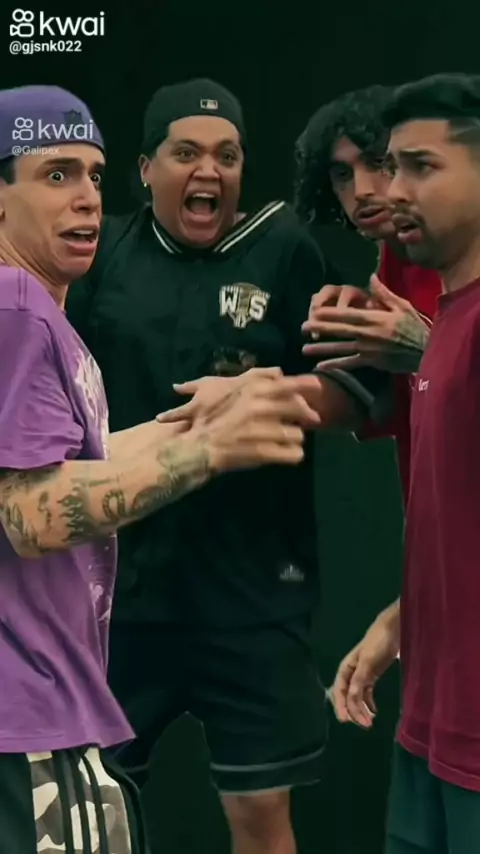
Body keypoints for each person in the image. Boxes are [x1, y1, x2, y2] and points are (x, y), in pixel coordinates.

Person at [66, 78, 391, 854]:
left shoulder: (285, 249)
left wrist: (268, 395)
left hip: (252, 589)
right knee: (91, 808)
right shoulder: (103, 253)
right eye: (186, 153)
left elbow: (359, 394)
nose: (207, 170)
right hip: (121, 594)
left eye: (227, 155)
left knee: (259, 813)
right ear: (146, 169)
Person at [0, 84, 327, 853]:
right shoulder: (15, 309)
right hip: (26, 720)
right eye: (55, 175)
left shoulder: (36, 309)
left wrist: (202, 424)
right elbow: (28, 513)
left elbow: (79, 463)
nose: (86, 196)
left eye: (92, 173)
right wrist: (206, 450)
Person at [346, 72, 480, 852]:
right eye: (392, 166)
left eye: (421, 167)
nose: (392, 190)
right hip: (426, 728)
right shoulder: (442, 324)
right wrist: (402, 618)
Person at [295, 85, 441, 498]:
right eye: (342, 174)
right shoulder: (393, 262)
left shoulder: (461, 251)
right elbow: (396, 409)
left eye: (378, 163)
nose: (361, 190)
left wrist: (427, 349)